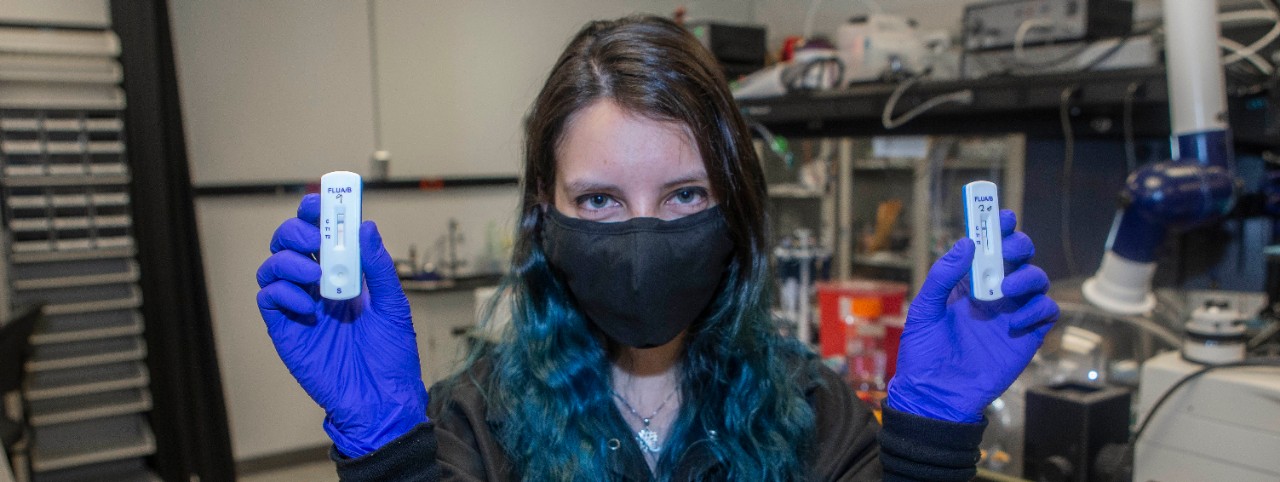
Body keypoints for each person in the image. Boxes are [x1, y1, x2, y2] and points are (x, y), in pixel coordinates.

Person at [256, 15, 1057, 481]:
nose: (642, 242)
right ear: (545, 209)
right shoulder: (474, 423)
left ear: (733, 206)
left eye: (682, 196)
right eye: (600, 200)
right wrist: (390, 448)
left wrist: (930, 442)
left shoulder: (813, 415)